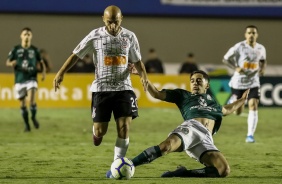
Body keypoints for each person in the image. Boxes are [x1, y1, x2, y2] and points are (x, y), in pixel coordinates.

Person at [53, 5, 148, 176]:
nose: (113, 26)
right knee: (100, 131)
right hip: (102, 90)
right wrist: (60, 73)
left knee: (124, 128)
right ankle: (96, 134)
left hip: (124, 88)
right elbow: (76, 54)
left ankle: (115, 166)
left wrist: (144, 77)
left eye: (116, 22)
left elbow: (138, 61)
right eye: (110, 22)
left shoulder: (130, 36)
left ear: (122, 19)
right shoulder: (94, 36)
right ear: (103, 19)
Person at [129, 70, 249, 178]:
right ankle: (130, 164)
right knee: (166, 147)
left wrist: (242, 100)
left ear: (207, 85)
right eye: (192, 81)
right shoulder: (183, 95)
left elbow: (228, 109)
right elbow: (156, 93)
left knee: (223, 170)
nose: (195, 83)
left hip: (206, 138)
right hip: (192, 128)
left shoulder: (214, 103)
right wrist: (142, 76)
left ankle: (184, 173)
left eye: (199, 80)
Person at [222, 25, 267, 143]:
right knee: (238, 112)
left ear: (257, 35)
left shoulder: (261, 48)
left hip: (253, 82)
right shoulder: (239, 47)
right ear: (245, 35)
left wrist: (262, 69)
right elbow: (225, 59)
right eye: (249, 33)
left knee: (253, 104)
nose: (251, 35)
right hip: (239, 82)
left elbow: (262, 60)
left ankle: (250, 135)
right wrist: (235, 67)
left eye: (253, 33)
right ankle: (233, 100)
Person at [6, 27, 46, 132]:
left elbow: (41, 63)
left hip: (31, 78)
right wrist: (11, 63)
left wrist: (43, 73)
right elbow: (8, 62)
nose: (27, 36)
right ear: (21, 36)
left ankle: (33, 117)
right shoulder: (15, 49)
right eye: (25, 34)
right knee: (23, 104)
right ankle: (27, 124)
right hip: (19, 79)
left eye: (28, 34)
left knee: (32, 100)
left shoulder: (35, 50)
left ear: (31, 36)